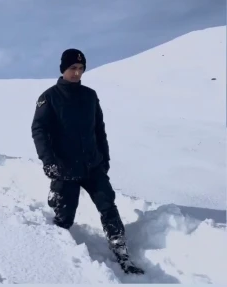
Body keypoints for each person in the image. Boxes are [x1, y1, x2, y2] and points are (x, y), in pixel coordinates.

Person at [30, 48, 144, 274]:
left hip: (93, 165)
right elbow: (39, 130)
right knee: (64, 219)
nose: (77, 73)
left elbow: (99, 130)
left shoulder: (90, 95)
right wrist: (48, 161)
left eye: (81, 69)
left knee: (108, 205)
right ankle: (57, 256)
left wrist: (105, 158)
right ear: (64, 69)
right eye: (73, 68)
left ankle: (121, 250)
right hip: (65, 168)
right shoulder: (49, 97)